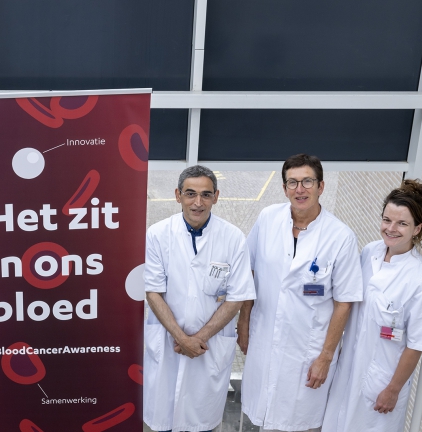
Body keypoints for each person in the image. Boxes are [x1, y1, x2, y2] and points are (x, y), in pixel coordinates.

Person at [238, 153, 363, 432]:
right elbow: (251, 271)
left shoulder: (340, 237)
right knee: (264, 417)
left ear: (321, 186)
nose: (300, 189)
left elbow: (344, 303)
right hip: (265, 339)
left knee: (301, 423)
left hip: (307, 351)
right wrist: (243, 322)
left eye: (307, 181)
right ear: (284, 188)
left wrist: (325, 357)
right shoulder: (268, 218)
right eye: (292, 183)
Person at [143, 165, 256, 432]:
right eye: (190, 193)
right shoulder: (158, 234)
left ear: (216, 196)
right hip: (170, 344)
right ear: (177, 195)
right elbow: (153, 292)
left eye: (206, 195)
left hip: (209, 348)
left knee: (202, 423)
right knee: (163, 421)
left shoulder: (233, 238)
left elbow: (237, 298)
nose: (198, 202)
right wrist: (183, 339)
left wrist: (198, 339)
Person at [322, 180, 422, 432]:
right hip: (347, 370)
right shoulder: (369, 252)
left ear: (417, 229)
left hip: (381, 382)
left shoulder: (420, 279)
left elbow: (416, 344)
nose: (391, 229)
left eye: (402, 223)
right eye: (387, 220)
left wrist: (393, 389)